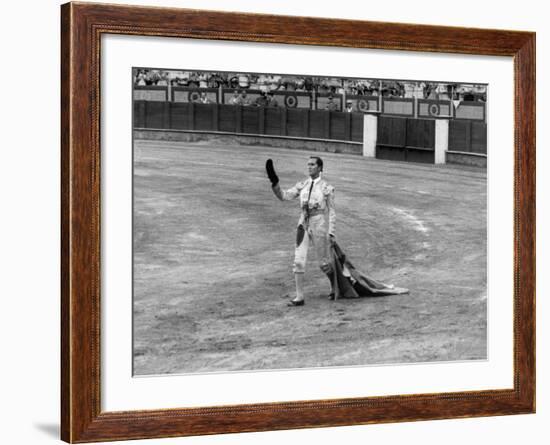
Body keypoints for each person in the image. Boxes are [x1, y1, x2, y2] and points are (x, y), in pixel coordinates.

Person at [266, 157, 336, 306]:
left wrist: (331, 232)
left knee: (324, 263)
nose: (309, 167)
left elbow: (332, 212)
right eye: (308, 165)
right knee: (298, 261)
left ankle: (334, 287)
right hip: (303, 223)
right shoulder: (302, 185)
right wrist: (274, 182)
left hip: (319, 224)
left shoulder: (326, 187)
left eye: (312, 165)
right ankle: (299, 296)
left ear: (320, 168)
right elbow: (284, 196)